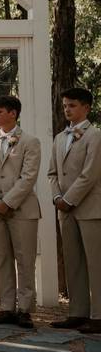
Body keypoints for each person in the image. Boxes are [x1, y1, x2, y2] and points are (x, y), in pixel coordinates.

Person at [0, 95, 40, 329]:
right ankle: (5, 307)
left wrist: (8, 202)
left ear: (13, 113)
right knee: (1, 259)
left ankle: (25, 309)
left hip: (22, 209)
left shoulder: (30, 142)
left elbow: (29, 176)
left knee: (25, 259)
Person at [48, 87, 101, 334]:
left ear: (86, 107)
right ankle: (77, 312)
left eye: (72, 105)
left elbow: (90, 174)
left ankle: (99, 315)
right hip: (65, 209)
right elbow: (52, 173)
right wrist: (57, 197)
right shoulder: (60, 138)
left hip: (90, 207)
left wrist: (69, 198)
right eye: (65, 105)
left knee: (96, 262)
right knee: (73, 262)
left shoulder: (96, 136)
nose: (67, 109)